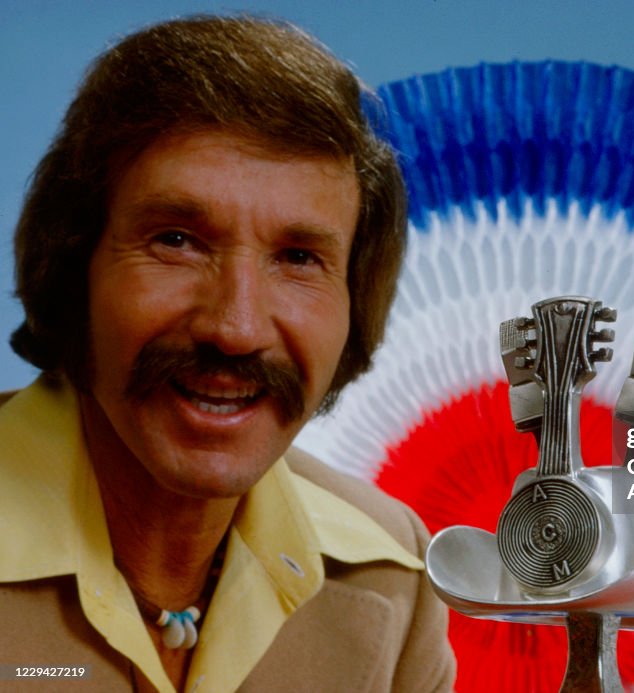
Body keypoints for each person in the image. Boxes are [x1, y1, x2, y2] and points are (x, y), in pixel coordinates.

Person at [0, 14, 455, 692]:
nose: (237, 328)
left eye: (299, 257)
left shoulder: (394, 573)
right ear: (74, 266)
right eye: (178, 239)